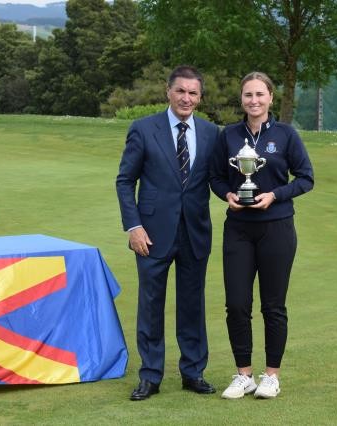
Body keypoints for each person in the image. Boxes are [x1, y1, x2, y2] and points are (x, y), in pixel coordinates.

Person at [116, 66, 219, 401]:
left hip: (195, 233)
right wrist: (134, 226)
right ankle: (150, 376)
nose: (186, 98)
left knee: (192, 305)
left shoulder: (209, 132)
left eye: (193, 93)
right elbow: (125, 181)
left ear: (199, 97)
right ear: (168, 91)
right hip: (151, 234)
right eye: (181, 91)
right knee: (151, 304)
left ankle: (193, 372)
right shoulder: (144, 129)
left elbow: (216, 180)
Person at [209, 71, 314, 399]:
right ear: (241, 99)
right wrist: (226, 195)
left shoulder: (285, 135)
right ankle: (244, 375)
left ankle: (271, 376)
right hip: (238, 229)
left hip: (277, 227)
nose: (253, 101)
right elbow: (215, 177)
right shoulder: (228, 135)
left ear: (270, 97)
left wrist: (276, 195)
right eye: (248, 95)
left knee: (273, 305)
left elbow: (306, 178)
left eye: (259, 95)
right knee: (237, 304)